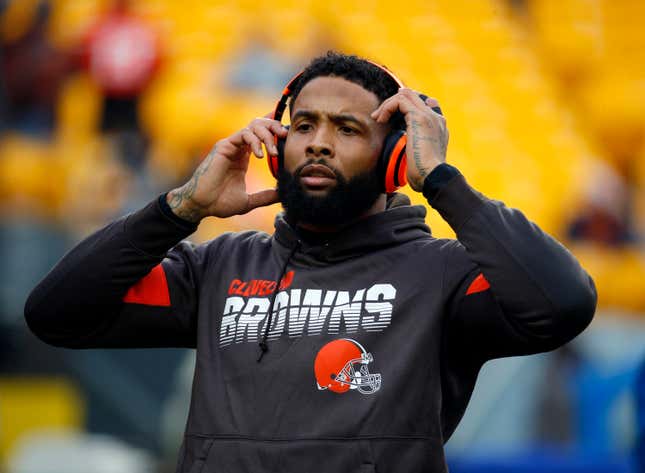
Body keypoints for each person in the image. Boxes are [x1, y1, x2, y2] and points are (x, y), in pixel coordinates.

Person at [25, 52, 597, 473]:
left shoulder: (443, 275)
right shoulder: (216, 267)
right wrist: (178, 210)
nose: (318, 142)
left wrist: (443, 182)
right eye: (303, 125)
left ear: (395, 159)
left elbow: (563, 302)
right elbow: (56, 313)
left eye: (348, 129)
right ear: (277, 148)